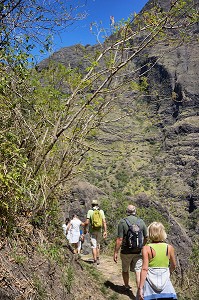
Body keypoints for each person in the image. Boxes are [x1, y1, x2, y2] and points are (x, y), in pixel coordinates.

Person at [138, 222, 177, 300]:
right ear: (162, 233)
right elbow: (173, 266)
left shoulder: (146, 248)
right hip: (166, 285)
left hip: (150, 285)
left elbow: (145, 269)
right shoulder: (169, 248)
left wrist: (140, 287)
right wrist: (168, 272)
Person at [113, 204, 148, 291]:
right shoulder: (141, 222)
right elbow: (146, 236)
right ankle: (140, 290)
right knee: (138, 270)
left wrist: (115, 252)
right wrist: (142, 245)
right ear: (135, 211)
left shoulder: (122, 222)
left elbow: (120, 239)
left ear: (127, 212)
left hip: (126, 251)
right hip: (138, 251)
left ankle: (126, 286)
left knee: (125, 270)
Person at [84, 199, 107, 266]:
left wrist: (85, 229)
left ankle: (94, 260)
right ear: (97, 205)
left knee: (93, 246)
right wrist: (105, 231)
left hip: (92, 230)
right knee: (98, 245)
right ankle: (98, 258)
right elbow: (104, 222)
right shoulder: (101, 211)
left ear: (92, 205)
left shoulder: (90, 211)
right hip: (100, 230)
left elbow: (87, 222)